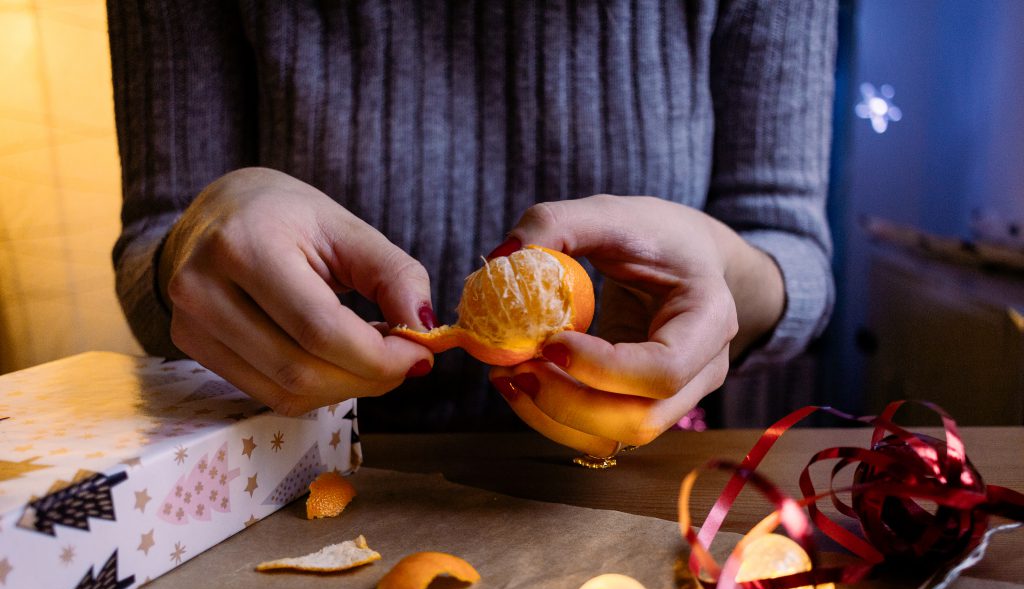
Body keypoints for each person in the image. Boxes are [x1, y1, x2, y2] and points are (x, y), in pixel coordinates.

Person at [107, 0, 836, 458]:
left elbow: (791, 251)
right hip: (300, 468)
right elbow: (156, 246)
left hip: (619, 475)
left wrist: (724, 268)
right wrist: (194, 240)